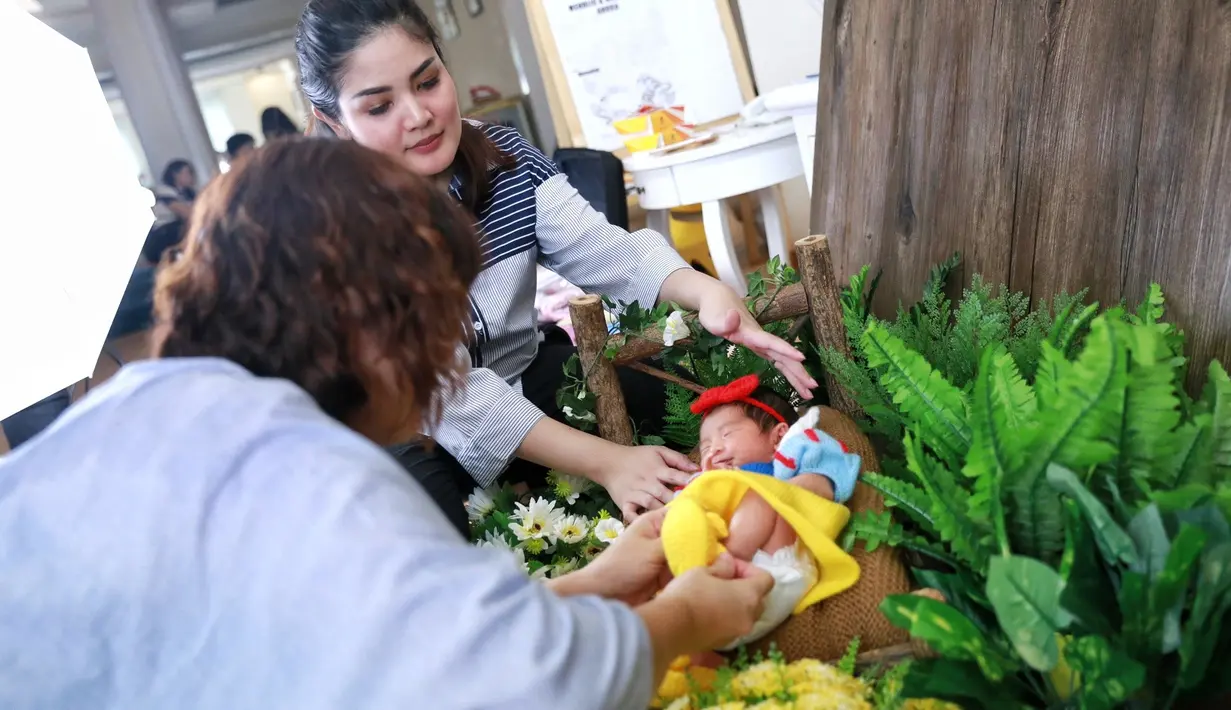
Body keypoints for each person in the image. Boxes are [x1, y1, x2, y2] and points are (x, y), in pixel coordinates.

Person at [0, 138, 773, 709]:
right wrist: (682, 618)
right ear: (371, 328)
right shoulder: (305, 464)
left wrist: (594, 583)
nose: (447, 367)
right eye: (440, 327)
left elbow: (404, 641)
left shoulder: (161, 410)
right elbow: (523, 683)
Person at [295, 0, 819, 530]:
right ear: (334, 122)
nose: (418, 115)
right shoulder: (335, 232)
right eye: (379, 107)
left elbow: (605, 250)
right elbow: (451, 391)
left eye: (428, 81)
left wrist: (706, 294)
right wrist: (609, 463)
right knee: (423, 525)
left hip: (524, 376)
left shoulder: (503, 155)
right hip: (410, 428)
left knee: (677, 394)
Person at [145, 159, 198, 263]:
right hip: (163, 234)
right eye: (187, 172)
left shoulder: (189, 193)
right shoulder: (165, 191)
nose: (190, 176)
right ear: (175, 174)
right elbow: (186, 213)